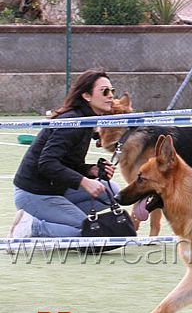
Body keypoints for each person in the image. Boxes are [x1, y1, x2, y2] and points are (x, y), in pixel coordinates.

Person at [9, 69, 120, 238]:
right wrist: (84, 182)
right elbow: (47, 164)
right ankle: (33, 227)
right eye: (104, 91)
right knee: (91, 233)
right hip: (34, 193)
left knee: (111, 190)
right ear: (86, 96)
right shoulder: (72, 122)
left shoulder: (87, 120)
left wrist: (91, 171)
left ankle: (58, 220)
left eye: (112, 91)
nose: (110, 96)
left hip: (56, 189)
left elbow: (67, 163)